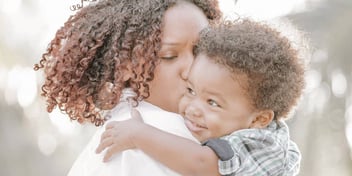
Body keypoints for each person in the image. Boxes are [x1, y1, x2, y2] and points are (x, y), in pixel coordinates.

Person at [96, 19, 306, 176]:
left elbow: (202, 163)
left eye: (212, 103)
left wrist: (139, 135)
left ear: (259, 119)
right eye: (191, 91)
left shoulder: (261, 143)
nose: (193, 108)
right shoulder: (236, 125)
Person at [34, 0, 221, 175]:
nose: (192, 69)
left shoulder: (120, 128)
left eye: (202, 51)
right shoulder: (166, 134)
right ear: (124, 66)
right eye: (170, 55)